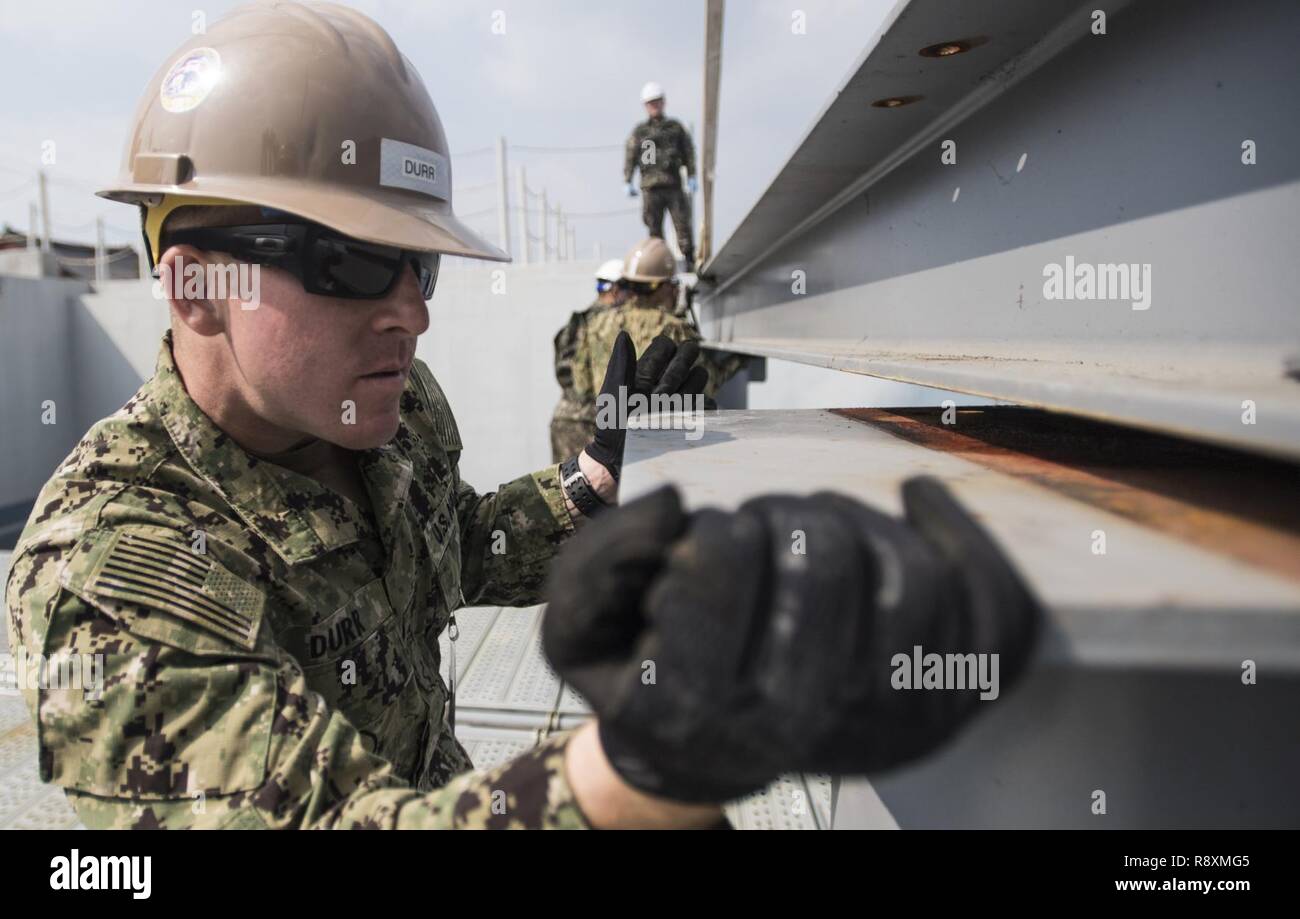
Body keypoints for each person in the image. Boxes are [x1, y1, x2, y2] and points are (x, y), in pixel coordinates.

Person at [6, 2, 1042, 830]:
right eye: (359, 263)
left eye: (418, 265)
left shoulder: (392, 411)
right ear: (195, 288)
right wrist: (637, 763)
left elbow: (451, 545)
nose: (410, 309)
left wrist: (595, 477)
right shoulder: (104, 570)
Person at [551, 259, 626, 463]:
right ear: (616, 289)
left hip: (564, 419)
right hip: (589, 423)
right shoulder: (610, 323)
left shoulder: (580, 320)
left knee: (564, 489)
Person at [623, 82, 698, 270]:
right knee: (653, 230)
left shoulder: (675, 128)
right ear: (645, 106)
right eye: (650, 103)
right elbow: (631, 155)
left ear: (663, 102)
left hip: (673, 185)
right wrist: (627, 180)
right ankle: (659, 264)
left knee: (682, 225)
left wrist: (692, 175)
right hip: (650, 187)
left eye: (657, 102)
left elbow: (688, 152)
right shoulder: (640, 132)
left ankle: (689, 260)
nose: (654, 106)